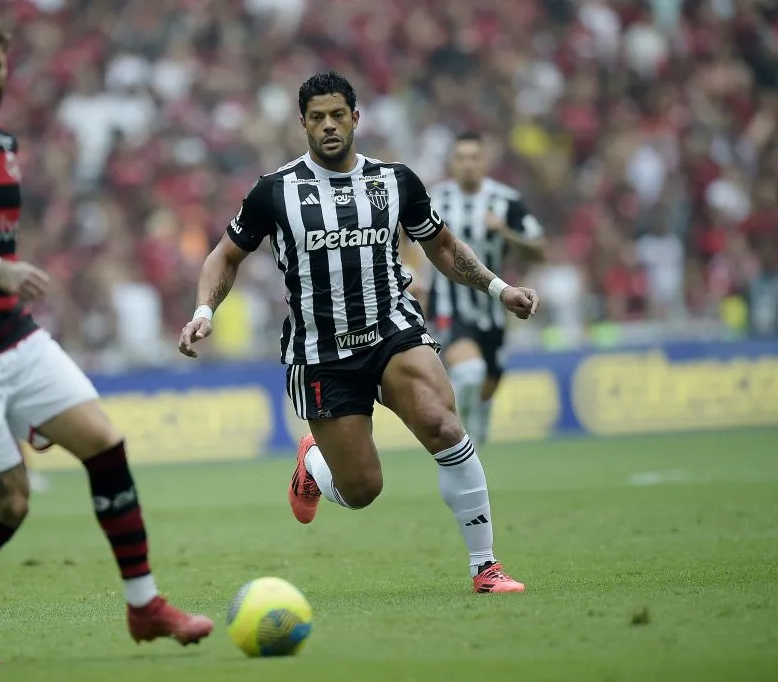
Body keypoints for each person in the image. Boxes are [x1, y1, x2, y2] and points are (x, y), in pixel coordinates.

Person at [0, 6, 212, 667]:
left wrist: (0, 278)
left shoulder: (3, 146)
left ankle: (145, 605)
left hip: (14, 336)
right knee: (9, 503)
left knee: (106, 443)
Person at [179, 72, 538, 593]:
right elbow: (224, 256)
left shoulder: (395, 181)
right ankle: (315, 463)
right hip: (321, 354)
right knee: (363, 488)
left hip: (392, 329)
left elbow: (440, 246)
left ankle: (485, 567)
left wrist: (497, 287)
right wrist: (204, 312)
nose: (329, 126)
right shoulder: (274, 191)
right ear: (302, 123)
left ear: (355, 118)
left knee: (442, 424)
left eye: (338, 115)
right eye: (318, 117)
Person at [424, 132, 547, 445]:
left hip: (493, 307)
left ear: (485, 162)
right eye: (461, 158)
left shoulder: (505, 201)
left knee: (486, 384)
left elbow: (539, 249)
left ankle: (478, 419)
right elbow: (404, 239)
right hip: (448, 306)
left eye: (474, 158)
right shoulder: (434, 200)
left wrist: (505, 231)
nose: (467, 165)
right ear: (452, 163)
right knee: (469, 373)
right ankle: (463, 441)